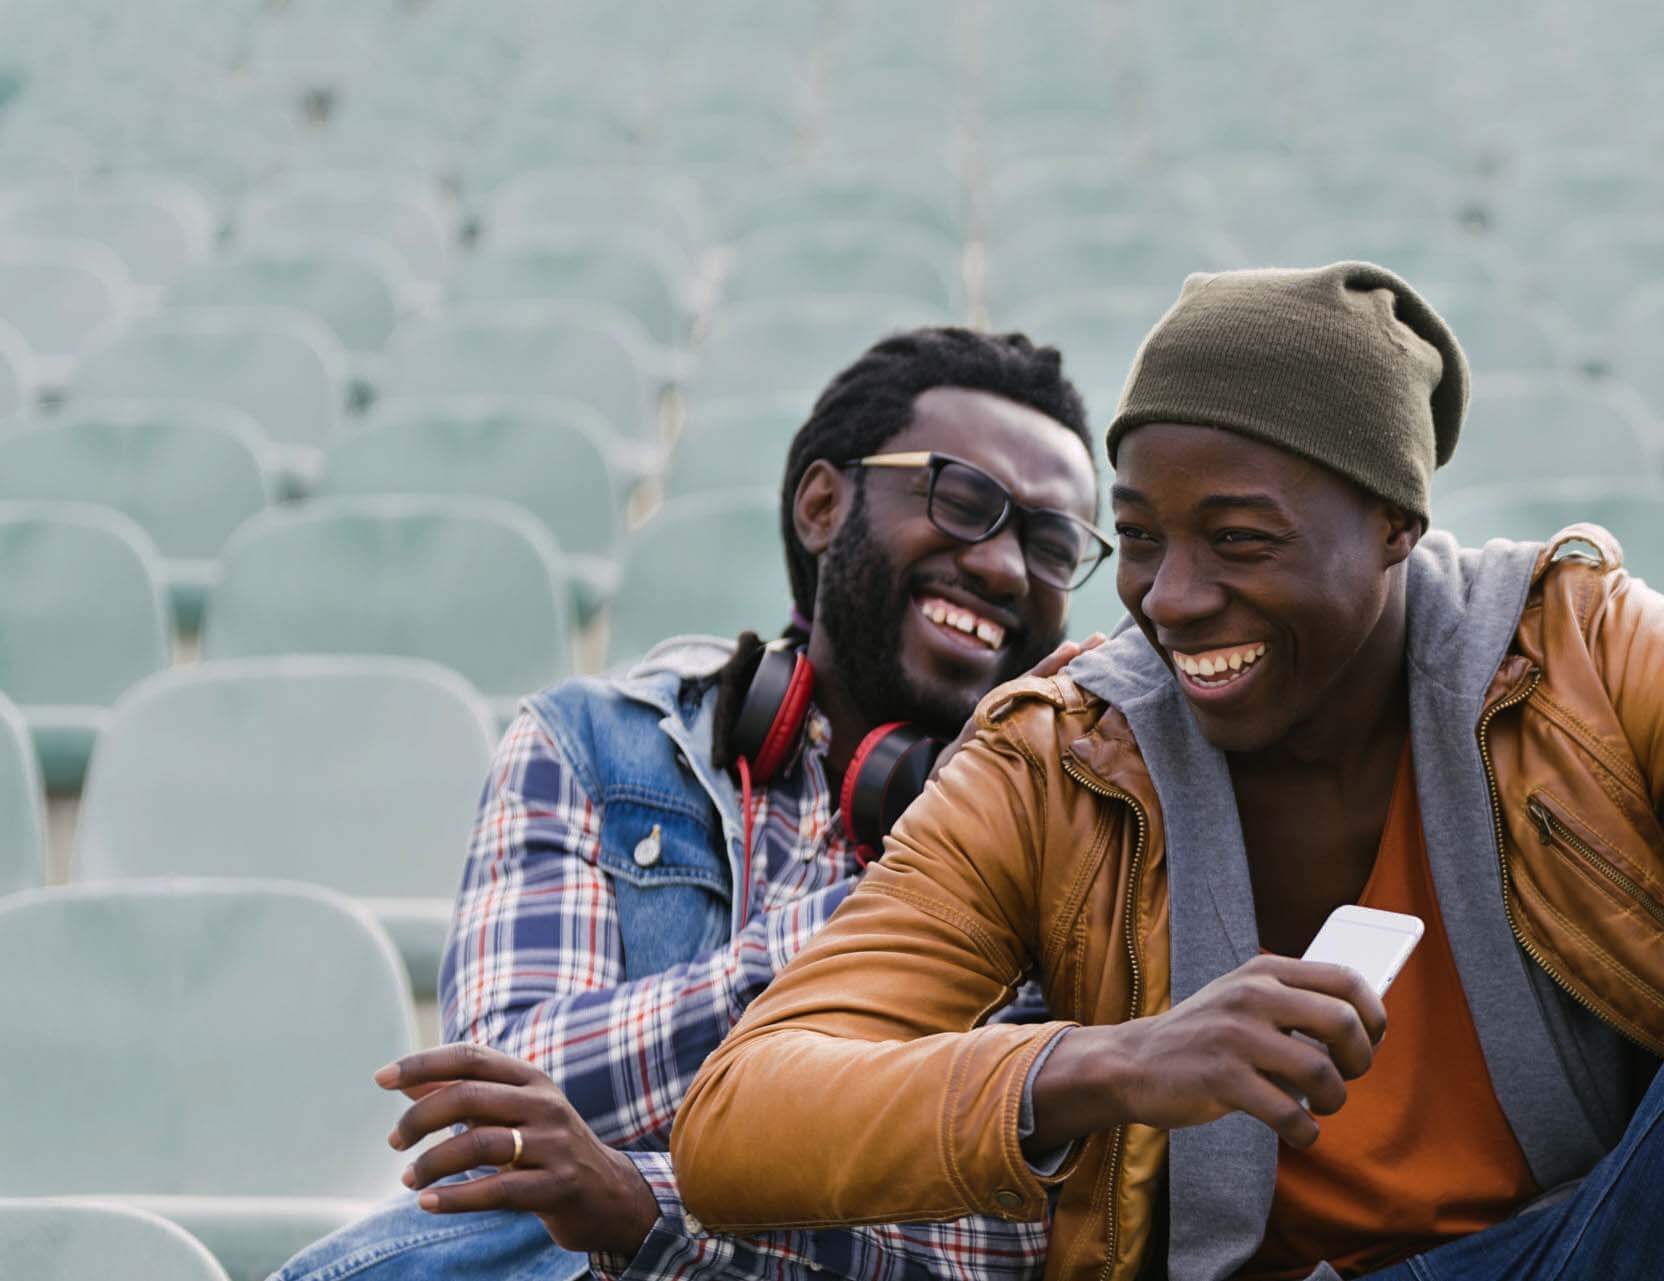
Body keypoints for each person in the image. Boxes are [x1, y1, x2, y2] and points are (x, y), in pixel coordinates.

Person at [667, 263, 1664, 1281]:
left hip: (1579, 1248)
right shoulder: (1057, 751)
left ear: (1391, 527)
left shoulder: (1570, 647)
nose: (1173, 594)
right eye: (1139, 538)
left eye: (1241, 540)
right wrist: (1108, 1063)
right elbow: (742, 1115)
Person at [276, 327, 1110, 1281]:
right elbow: (490, 1115)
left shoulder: (1063, 836)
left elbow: (998, 1243)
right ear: (822, 503)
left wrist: (637, 1210)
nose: (1005, 567)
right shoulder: (594, 743)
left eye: (1051, 546)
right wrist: (888, 920)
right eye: (963, 501)